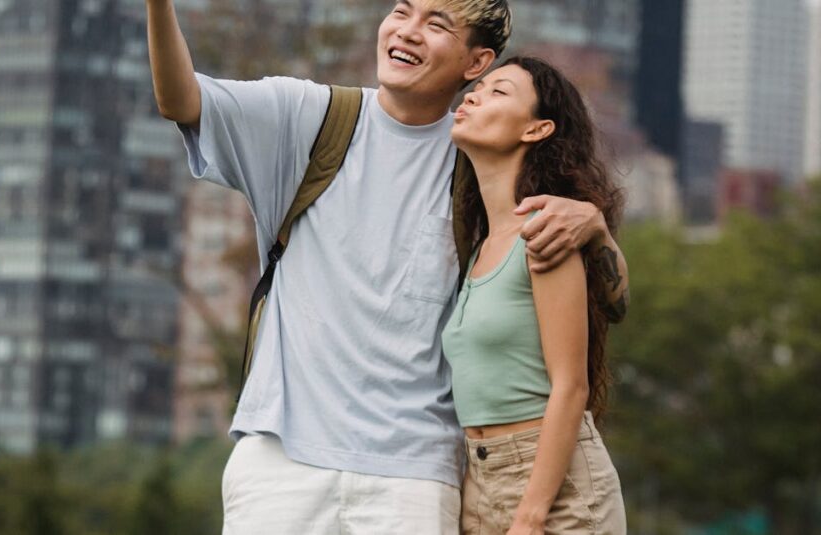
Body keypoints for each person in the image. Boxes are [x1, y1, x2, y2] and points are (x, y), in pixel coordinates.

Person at [146, 0, 630, 532]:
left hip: (416, 475)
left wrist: (593, 224)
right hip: (282, 459)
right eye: (402, 11)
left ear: (476, 63)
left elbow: (607, 306)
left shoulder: (478, 165)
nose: (408, 31)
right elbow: (180, 99)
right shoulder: (311, 119)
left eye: (437, 24)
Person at [443, 56, 627, 534]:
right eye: (476, 89)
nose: (474, 96)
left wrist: (529, 517)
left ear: (536, 129)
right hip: (480, 481)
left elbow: (572, 387)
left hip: (552, 492)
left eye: (498, 92)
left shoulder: (544, 233)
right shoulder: (480, 244)